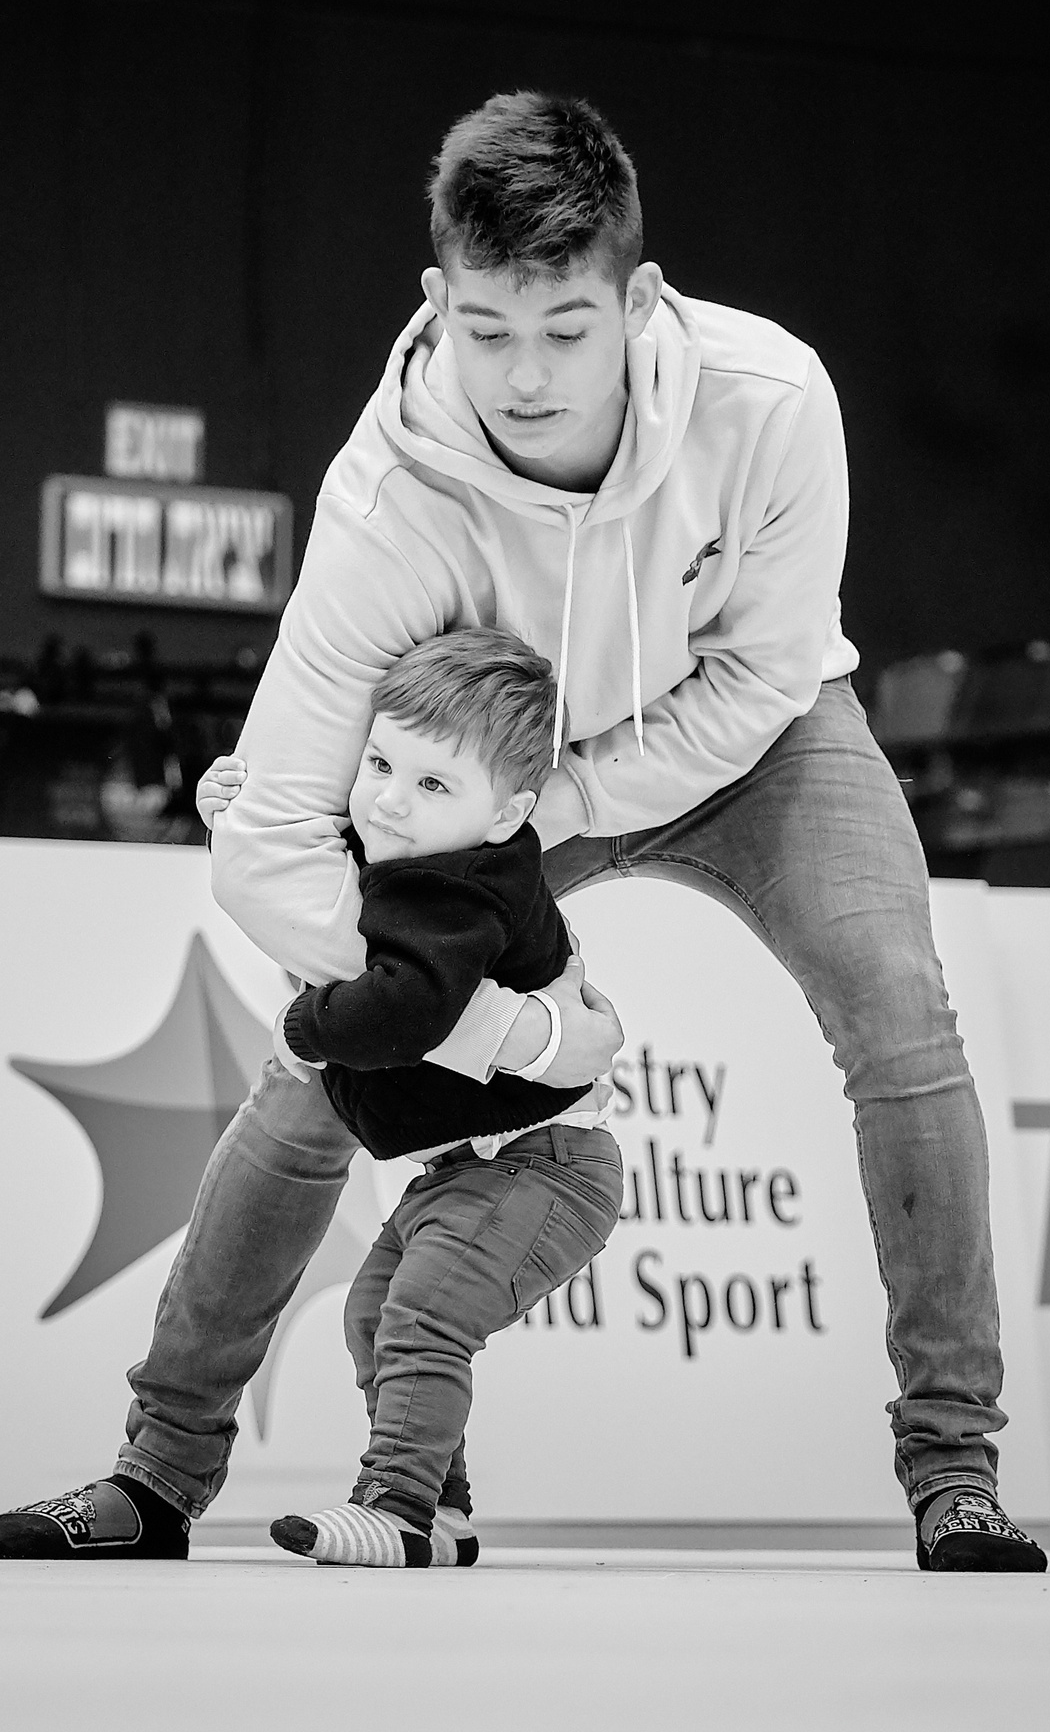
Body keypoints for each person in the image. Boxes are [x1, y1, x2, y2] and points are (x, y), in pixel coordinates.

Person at [0, 89, 1044, 1573]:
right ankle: (155, 1476)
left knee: (904, 1016)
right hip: (495, 786)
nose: (524, 376)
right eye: (486, 331)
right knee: (310, 1062)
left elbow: (764, 675)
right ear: (437, 302)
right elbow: (268, 836)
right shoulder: (384, 503)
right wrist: (467, 1025)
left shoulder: (773, 401)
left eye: (564, 329)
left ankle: (955, 1470)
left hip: (750, 744)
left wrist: (574, 802)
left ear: (639, 302)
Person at [243, 626, 619, 1569]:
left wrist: (306, 1027)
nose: (389, 803)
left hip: (543, 1169)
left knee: (423, 1315)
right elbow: (358, 850)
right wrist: (241, 807)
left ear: (508, 815)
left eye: (433, 785)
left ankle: (397, 1505)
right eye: (379, 764)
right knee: (373, 1315)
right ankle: (443, 1517)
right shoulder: (427, 852)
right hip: (476, 1168)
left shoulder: (461, 893)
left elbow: (407, 1012)